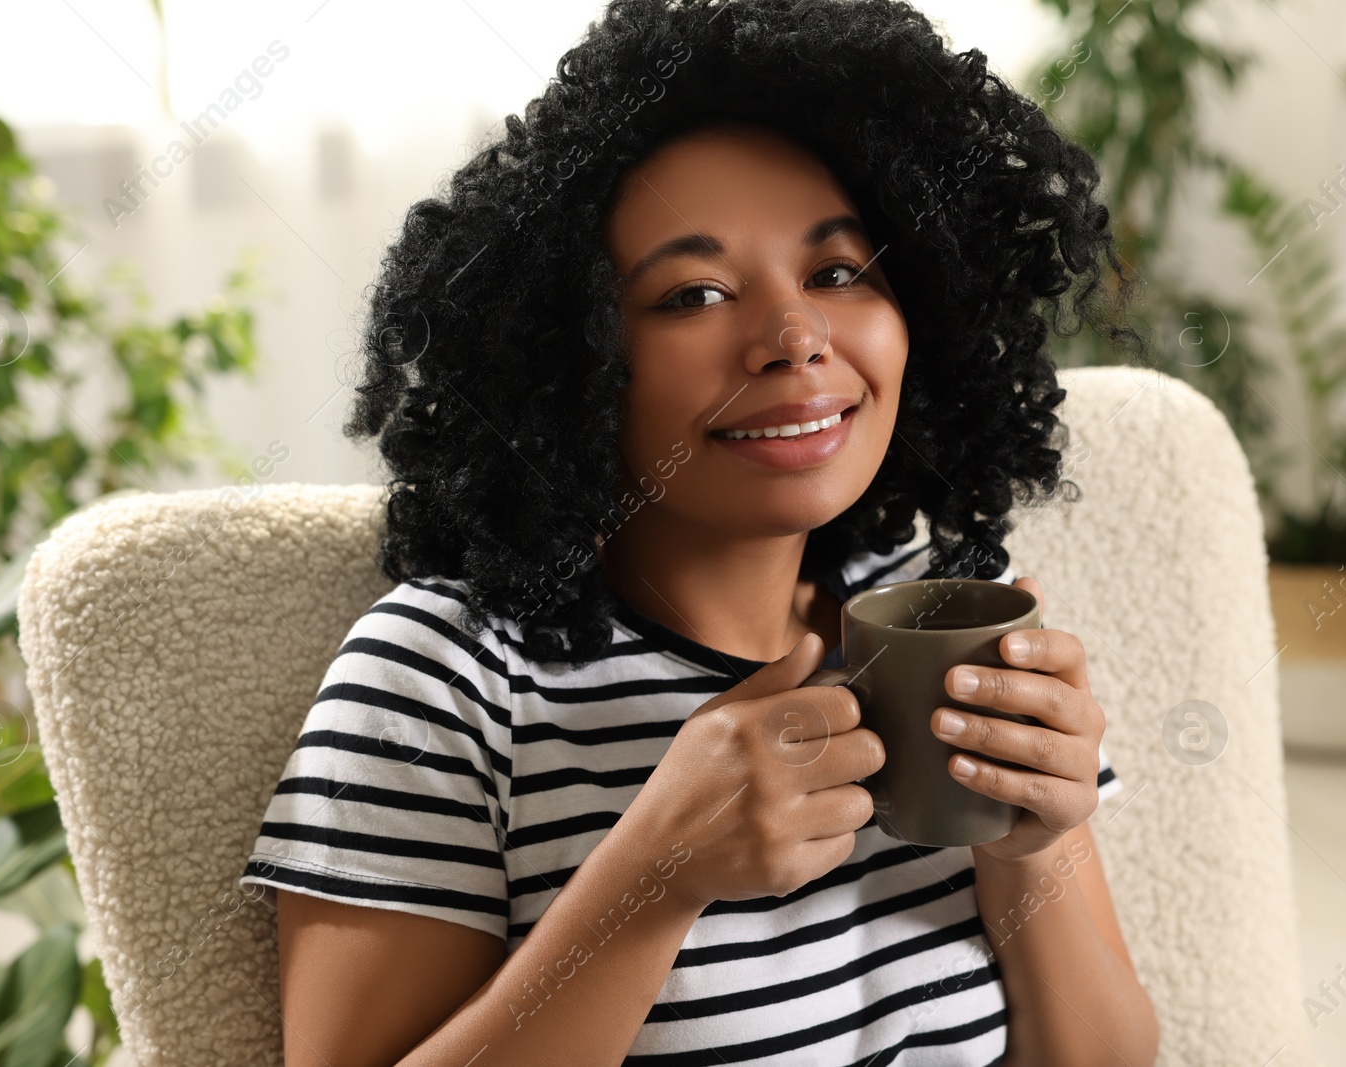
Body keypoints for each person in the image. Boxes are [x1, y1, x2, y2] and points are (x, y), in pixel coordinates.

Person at [239, 0, 1159, 1063]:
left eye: (838, 272)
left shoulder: (941, 614)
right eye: (693, 293)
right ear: (570, 358)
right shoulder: (447, 679)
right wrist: (654, 877)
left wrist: (1036, 844)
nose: (795, 337)